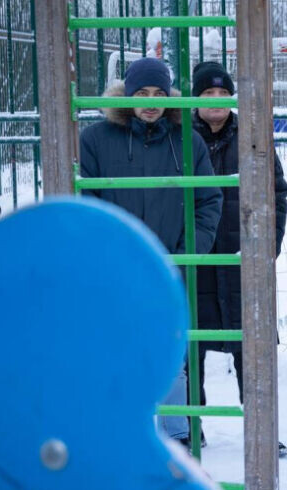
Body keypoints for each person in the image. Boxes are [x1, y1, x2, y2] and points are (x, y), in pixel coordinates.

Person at [79, 57, 223, 447]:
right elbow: (85, 202)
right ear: (126, 95)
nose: (150, 101)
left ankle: (176, 435)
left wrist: (188, 251)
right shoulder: (95, 139)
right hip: (116, 270)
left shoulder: (187, 140)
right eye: (141, 93)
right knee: (115, 349)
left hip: (168, 265)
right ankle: (122, 432)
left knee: (170, 351)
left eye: (159, 93)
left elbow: (208, 199)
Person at [189, 61, 287, 456]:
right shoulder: (179, 137)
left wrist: (268, 247)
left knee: (252, 348)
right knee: (189, 348)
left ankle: (261, 428)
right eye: (207, 94)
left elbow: (277, 193)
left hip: (240, 259)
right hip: (195, 259)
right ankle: (188, 428)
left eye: (222, 94)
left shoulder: (252, 136)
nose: (215, 102)